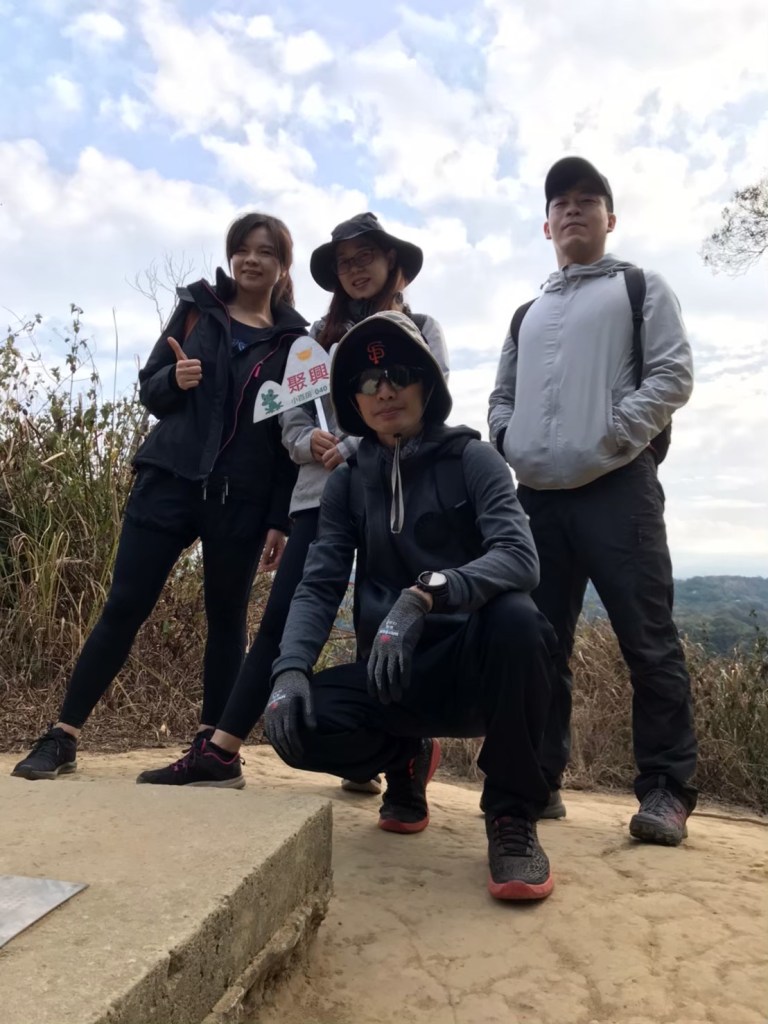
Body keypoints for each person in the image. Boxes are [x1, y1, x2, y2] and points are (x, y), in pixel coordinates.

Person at [135, 213, 448, 792]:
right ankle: (222, 752)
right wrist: (311, 443)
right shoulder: (314, 342)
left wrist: (352, 443)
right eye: (345, 262)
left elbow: (431, 407)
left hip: (396, 497)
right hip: (318, 499)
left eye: (366, 257)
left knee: (380, 619)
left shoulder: (422, 328)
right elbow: (290, 419)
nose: (355, 270)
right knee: (283, 619)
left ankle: (393, 757)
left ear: (393, 264)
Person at [263, 310, 558, 902]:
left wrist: (425, 594)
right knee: (298, 722)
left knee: (520, 620)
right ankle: (406, 757)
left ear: (428, 384)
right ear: (353, 400)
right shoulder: (348, 481)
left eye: (399, 375)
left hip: (473, 665)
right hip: (391, 673)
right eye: (368, 382)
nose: (384, 391)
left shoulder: (473, 459)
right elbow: (320, 583)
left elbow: (519, 557)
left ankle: (511, 814)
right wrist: (289, 670)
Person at [12, 213, 307, 781]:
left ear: (282, 265)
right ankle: (63, 736)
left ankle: (212, 751)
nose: (251, 260)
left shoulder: (295, 343)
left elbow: (284, 436)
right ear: (231, 256)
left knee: (227, 620)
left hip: (241, 499)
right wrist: (176, 379)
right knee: (124, 605)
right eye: (242, 249)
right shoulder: (197, 309)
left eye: (266, 252)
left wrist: (280, 518)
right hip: (169, 480)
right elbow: (150, 387)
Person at [488, 157, 697, 845]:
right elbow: (501, 395)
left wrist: (615, 431)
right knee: (539, 645)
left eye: (587, 199)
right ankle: (540, 780)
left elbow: (672, 373)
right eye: (561, 202)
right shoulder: (528, 313)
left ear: (611, 218)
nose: (573, 209)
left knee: (648, 639)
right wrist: (507, 439)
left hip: (619, 487)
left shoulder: (639, 286)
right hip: (537, 498)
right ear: (546, 225)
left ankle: (666, 789)